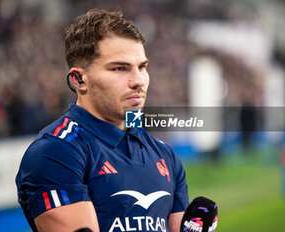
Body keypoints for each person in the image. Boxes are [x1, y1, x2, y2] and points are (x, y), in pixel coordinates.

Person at [15, 9, 189, 232]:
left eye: (142, 67)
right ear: (78, 79)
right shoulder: (56, 152)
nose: (138, 80)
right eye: (120, 68)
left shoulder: (165, 155)